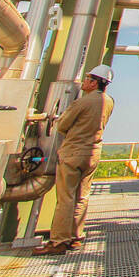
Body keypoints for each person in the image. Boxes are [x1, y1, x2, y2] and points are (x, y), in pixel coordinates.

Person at [35, 65, 115, 255]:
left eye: (87, 78)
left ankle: (59, 241)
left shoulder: (82, 102)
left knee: (66, 198)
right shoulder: (110, 101)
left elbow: (62, 126)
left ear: (94, 82)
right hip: (93, 152)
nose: (84, 82)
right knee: (82, 197)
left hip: (74, 152)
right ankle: (76, 237)